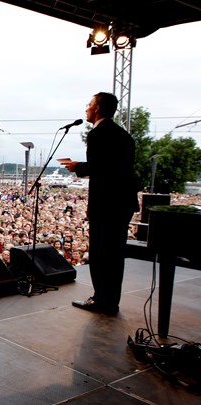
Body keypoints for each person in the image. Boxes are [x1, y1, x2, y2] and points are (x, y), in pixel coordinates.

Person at [62, 92, 139, 314]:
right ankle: (111, 300)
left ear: (97, 109)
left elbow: (101, 167)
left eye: (89, 105)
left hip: (106, 203)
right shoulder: (124, 136)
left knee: (101, 253)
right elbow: (117, 167)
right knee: (115, 255)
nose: (86, 109)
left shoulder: (98, 134)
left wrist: (77, 166)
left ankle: (100, 300)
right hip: (123, 202)